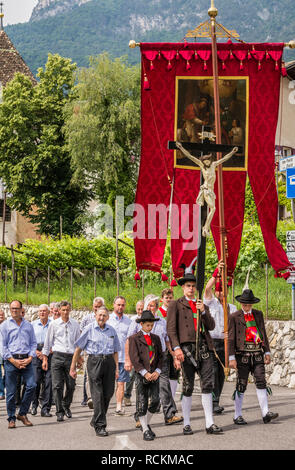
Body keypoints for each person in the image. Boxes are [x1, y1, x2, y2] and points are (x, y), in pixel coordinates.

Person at [167, 266, 223, 435]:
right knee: (188, 386)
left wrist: (204, 311)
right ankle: (187, 423)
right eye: (188, 286)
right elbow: (171, 330)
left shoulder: (201, 304)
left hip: (204, 347)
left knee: (207, 384)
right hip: (186, 349)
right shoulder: (176, 304)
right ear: (183, 288)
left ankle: (209, 423)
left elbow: (211, 326)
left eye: (193, 286)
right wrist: (176, 349)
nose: (191, 289)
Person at [126, 294, 183, 427]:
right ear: (146, 306)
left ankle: (169, 415)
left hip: (160, 358)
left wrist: (174, 356)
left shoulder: (162, 321)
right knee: (142, 391)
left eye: (155, 305)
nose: (153, 308)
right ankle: (139, 416)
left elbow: (167, 340)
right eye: (150, 305)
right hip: (143, 360)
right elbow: (129, 341)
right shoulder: (137, 321)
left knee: (164, 386)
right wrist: (128, 360)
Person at [229, 287, 279, 425]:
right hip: (242, 354)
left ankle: (265, 413)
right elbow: (231, 338)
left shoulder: (258, 314)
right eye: (244, 304)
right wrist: (231, 357)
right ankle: (237, 415)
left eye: (249, 304)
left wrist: (267, 351)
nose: (246, 307)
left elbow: (262, 333)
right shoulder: (234, 316)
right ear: (240, 303)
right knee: (241, 384)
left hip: (257, 353)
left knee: (261, 381)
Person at [70, 306, 120, 437]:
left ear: (108, 317)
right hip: (94, 362)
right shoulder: (89, 329)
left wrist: (117, 368)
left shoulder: (112, 331)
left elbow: (115, 351)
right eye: (99, 315)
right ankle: (100, 425)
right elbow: (78, 349)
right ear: (95, 315)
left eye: (104, 315)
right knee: (97, 394)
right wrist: (73, 367)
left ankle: (95, 419)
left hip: (109, 362)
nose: (102, 318)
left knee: (108, 393)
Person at [176, 141, 238, 237]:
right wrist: (181, 148)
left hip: (211, 191)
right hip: (206, 190)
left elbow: (224, 159)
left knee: (212, 209)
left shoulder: (213, 165)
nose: (207, 162)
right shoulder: (202, 166)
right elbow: (190, 157)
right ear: (203, 162)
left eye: (208, 160)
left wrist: (233, 152)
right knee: (213, 208)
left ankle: (205, 228)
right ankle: (205, 228)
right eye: (205, 161)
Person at [203, 261, 236, 414]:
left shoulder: (232, 307)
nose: (222, 293)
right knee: (213, 371)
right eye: (220, 290)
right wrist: (217, 271)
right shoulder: (211, 303)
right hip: (212, 342)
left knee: (223, 372)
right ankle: (213, 401)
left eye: (224, 290)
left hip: (225, 342)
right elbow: (207, 288)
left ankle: (216, 400)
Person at [42, 300, 81, 422]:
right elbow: (48, 343)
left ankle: (66, 405)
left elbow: (78, 343)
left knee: (71, 385)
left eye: (67, 310)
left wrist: (79, 358)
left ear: (70, 310)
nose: (65, 312)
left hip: (70, 357)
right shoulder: (54, 324)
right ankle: (59, 411)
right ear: (59, 311)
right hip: (57, 357)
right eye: (63, 310)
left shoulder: (75, 324)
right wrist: (45, 358)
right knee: (57, 385)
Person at [0, 300, 37, 428]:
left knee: (32, 385)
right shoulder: (4, 326)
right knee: (10, 392)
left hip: (26, 360)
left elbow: (33, 343)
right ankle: (11, 418)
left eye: (16, 308)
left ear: (22, 309)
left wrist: (30, 358)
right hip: (11, 361)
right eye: (12, 308)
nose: (14, 310)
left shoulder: (29, 325)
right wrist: (13, 361)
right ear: (10, 310)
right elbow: (3, 346)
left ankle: (22, 414)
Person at [129, 310, 163, 441]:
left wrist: (157, 371)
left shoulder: (156, 338)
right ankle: (145, 430)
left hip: (154, 374)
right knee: (142, 403)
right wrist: (144, 373)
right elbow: (135, 358)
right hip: (141, 374)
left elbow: (160, 356)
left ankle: (145, 424)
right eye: (147, 325)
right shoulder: (134, 338)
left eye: (151, 325)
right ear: (141, 324)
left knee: (155, 401)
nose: (150, 327)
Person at [107, 296, 131, 415]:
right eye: (118, 304)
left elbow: (130, 340)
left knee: (121, 383)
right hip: (108, 357)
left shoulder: (128, 321)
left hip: (122, 358)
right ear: (113, 305)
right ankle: (103, 405)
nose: (120, 307)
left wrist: (129, 359)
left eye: (122, 305)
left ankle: (118, 407)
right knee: (107, 383)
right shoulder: (107, 319)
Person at [80, 297, 105, 408]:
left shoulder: (105, 318)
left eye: (99, 306)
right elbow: (81, 333)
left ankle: (98, 398)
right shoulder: (87, 319)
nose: (97, 308)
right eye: (95, 307)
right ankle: (87, 398)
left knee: (100, 376)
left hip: (102, 352)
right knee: (87, 375)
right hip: (89, 351)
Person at [157, 289, 180, 400]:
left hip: (175, 344)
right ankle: (159, 399)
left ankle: (172, 398)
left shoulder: (177, 311)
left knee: (174, 373)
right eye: (167, 298)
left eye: (171, 297)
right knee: (161, 374)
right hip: (163, 347)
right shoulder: (158, 312)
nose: (169, 300)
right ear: (162, 299)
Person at [31, 304, 53, 417]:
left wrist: (48, 351)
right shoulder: (33, 325)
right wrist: (36, 352)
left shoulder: (53, 324)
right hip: (36, 353)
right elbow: (28, 341)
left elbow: (55, 340)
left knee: (49, 382)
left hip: (50, 353)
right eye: (40, 311)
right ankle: (34, 405)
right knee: (35, 381)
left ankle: (45, 409)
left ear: (49, 312)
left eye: (44, 311)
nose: (42, 313)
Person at [124, 300, 144, 407]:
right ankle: (127, 396)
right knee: (131, 375)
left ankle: (146, 398)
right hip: (134, 352)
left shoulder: (147, 319)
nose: (140, 311)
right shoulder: (133, 320)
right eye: (139, 309)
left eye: (142, 308)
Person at [0, 309, 6, 400]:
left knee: (8, 373)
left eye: (2, 315)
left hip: (6, 351)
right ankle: (1, 392)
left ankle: (4, 385)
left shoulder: (7, 325)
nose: (1, 316)